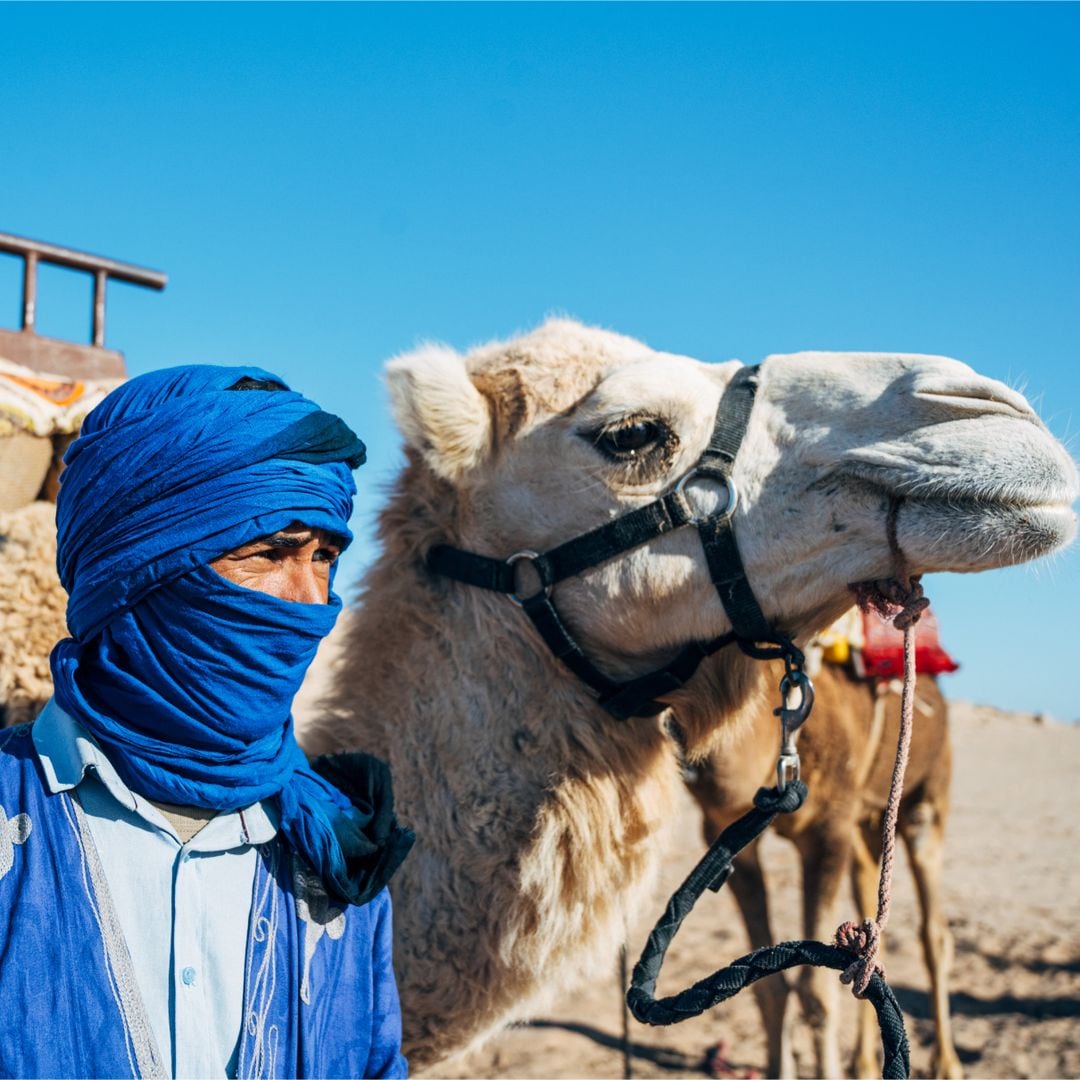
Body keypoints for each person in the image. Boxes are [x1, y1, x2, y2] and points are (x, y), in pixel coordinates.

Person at [0, 365, 414, 1078]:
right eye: (270, 552)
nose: (308, 602)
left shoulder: (337, 846)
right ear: (141, 564)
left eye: (324, 557)